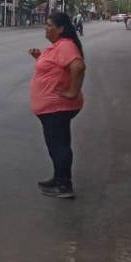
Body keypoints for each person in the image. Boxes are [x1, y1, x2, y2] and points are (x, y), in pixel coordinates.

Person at [28, 12, 85, 199]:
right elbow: (55, 68)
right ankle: (58, 177)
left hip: (58, 107)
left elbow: (78, 66)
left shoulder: (66, 46)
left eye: (49, 25)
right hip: (51, 108)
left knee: (59, 145)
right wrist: (39, 57)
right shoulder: (58, 46)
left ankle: (64, 185)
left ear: (61, 28)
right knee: (55, 144)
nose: (46, 28)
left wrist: (72, 91)